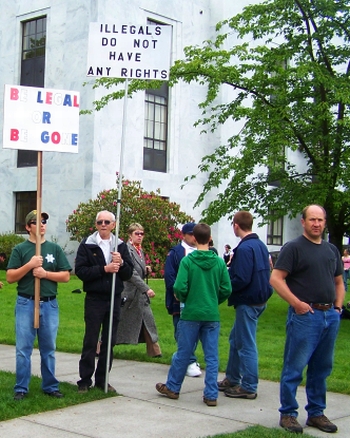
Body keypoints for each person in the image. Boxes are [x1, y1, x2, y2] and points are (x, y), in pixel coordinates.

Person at [270, 205, 344, 434]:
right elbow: (276, 279)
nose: (317, 224)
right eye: (312, 219)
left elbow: (339, 282)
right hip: (305, 316)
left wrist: (338, 308)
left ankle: (316, 413)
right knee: (294, 366)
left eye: (320, 220)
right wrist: (296, 303)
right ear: (303, 222)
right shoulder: (294, 248)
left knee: (322, 367)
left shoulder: (331, 250)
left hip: (329, 315)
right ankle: (289, 414)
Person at [156, 223, 232, 406]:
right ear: (210, 238)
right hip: (211, 313)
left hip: (190, 312)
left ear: (195, 239)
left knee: (184, 352)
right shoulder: (219, 262)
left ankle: (173, 387)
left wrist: (183, 297)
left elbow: (179, 286)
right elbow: (227, 288)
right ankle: (211, 394)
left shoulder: (188, 261)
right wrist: (214, 300)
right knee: (212, 356)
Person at [6, 210, 71, 400]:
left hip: (49, 304)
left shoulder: (54, 249)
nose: (42, 224)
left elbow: (66, 276)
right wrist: (30, 265)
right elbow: (10, 277)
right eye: (36, 222)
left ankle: (50, 385)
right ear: (28, 227)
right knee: (23, 348)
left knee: (48, 348)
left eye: (44, 221)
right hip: (26, 302)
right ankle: (21, 388)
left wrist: (45, 274)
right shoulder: (21, 249)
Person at [75, 210, 133, 393]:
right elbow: (81, 271)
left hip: (114, 298)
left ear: (113, 225)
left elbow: (128, 273)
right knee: (91, 339)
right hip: (94, 299)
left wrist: (121, 263)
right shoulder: (87, 245)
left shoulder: (120, 246)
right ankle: (84, 380)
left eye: (107, 222)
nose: (103, 225)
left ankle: (102, 379)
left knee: (109, 341)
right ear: (96, 224)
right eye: (100, 222)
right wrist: (104, 269)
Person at [218, 211, 272, 399]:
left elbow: (241, 278)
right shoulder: (260, 246)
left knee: (246, 344)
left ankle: (249, 385)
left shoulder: (245, 248)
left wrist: (224, 288)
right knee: (236, 340)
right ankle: (232, 378)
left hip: (248, 301)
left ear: (236, 225)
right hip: (260, 299)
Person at [116, 223, 161, 357]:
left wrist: (145, 269)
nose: (140, 236)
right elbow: (131, 273)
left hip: (139, 295)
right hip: (128, 293)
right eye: (137, 233)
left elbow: (138, 270)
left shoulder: (139, 250)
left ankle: (154, 350)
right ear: (130, 235)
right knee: (117, 322)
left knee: (148, 319)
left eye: (142, 233)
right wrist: (146, 289)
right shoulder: (127, 250)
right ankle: (100, 346)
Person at [164, 222, 201, 377]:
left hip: (197, 298)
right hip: (179, 298)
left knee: (196, 330)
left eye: (196, 234)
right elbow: (170, 275)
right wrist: (176, 292)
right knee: (181, 330)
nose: (194, 237)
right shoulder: (176, 252)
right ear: (183, 235)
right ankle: (189, 360)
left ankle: (187, 358)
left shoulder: (202, 251)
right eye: (191, 234)